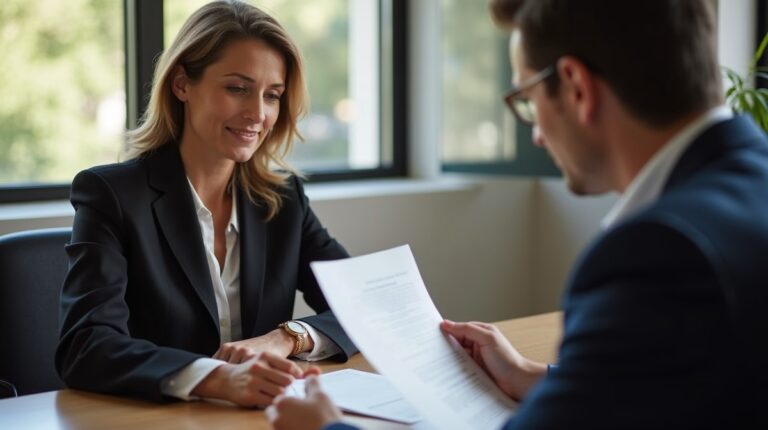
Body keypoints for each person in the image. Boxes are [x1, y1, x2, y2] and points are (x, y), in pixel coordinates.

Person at [269, 0, 768, 428]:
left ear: (575, 87)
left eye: (526, 100)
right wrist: (544, 381)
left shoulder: (658, 254)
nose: (536, 135)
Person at [55, 0, 357, 407]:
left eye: (272, 95)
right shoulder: (112, 195)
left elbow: (364, 307)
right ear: (182, 84)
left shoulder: (283, 200)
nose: (257, 113)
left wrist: (284, 338)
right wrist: (216, 378)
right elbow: (87, 346)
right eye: (237, 88)